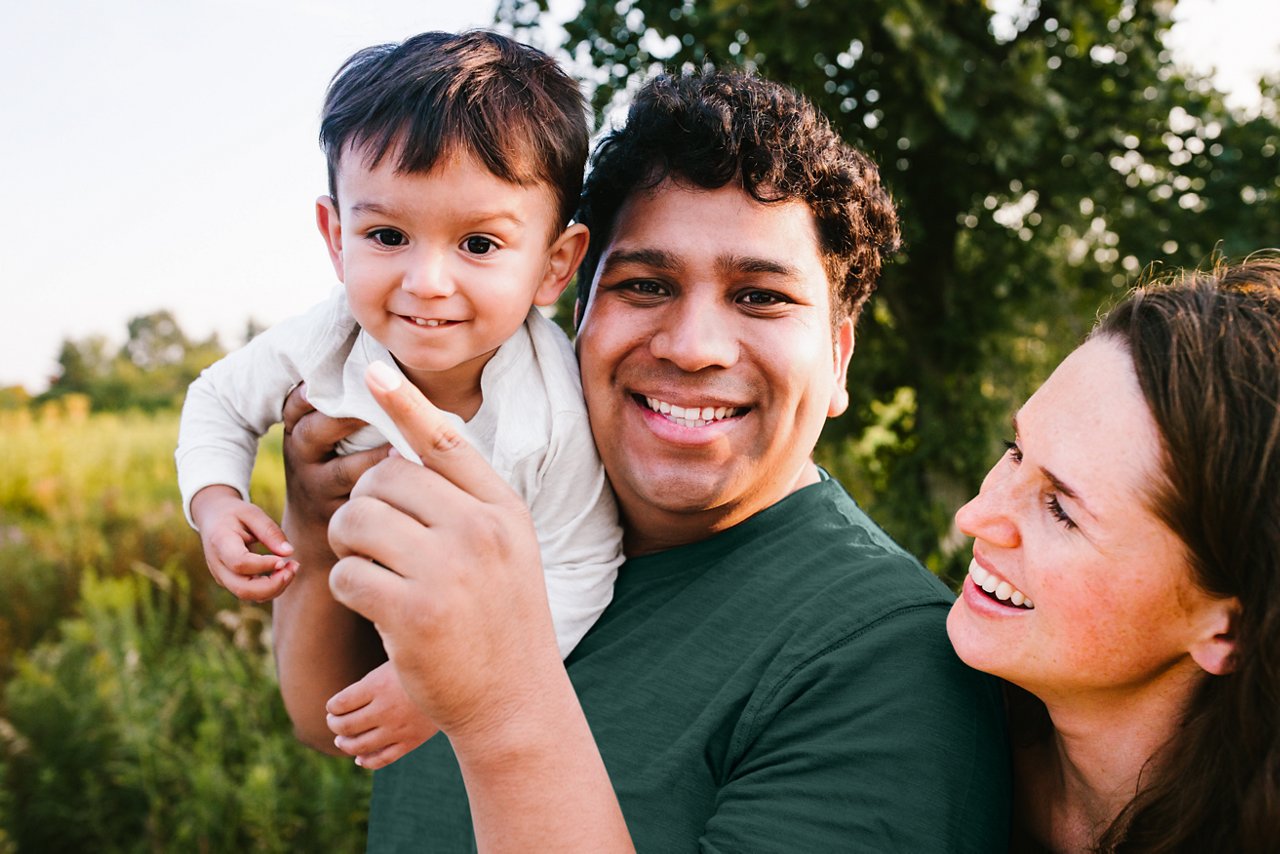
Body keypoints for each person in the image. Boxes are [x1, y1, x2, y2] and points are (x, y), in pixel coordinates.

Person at [276, 68, 1011, 850]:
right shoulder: (493, 504)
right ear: (570, 310)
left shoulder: (884, 659)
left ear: (838, 360)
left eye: (761, 296)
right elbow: (345, 723)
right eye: (645, 284)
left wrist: (501, 703)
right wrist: (318, 533)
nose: (692, 347)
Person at [175, 31, 622, 768]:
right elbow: (219, 400)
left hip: (507, 700)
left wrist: (441, 686)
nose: (427, 282)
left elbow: (581, 574)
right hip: (354, 627)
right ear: (336, 235)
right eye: (387, 234)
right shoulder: (330, 335)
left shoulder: (553, 412)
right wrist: (215, 501)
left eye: (479, 245)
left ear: (555, 265)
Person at [947, 257, 1280, 852]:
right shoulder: (912, 727)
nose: (974, 517)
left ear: (1228, 629)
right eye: (1016, 452)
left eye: (1061, 511)